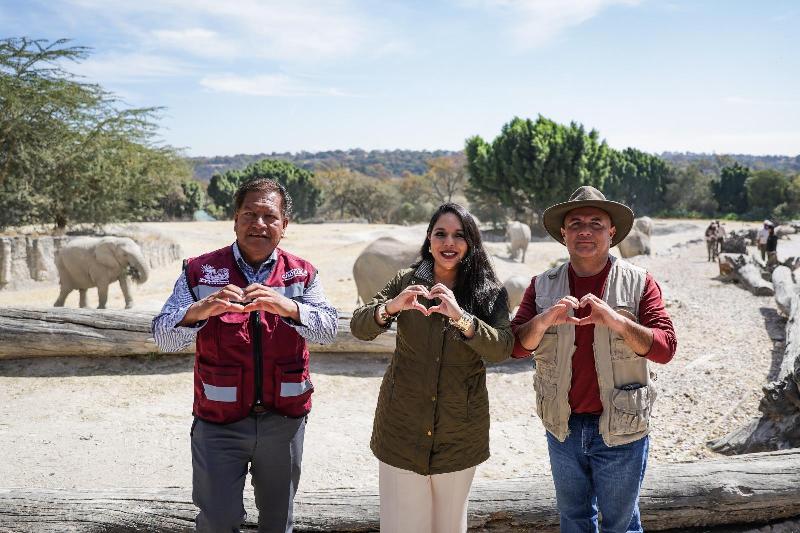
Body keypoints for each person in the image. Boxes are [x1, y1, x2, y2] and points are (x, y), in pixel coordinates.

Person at [151, 178, 338, 533]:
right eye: (249, 214)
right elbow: (163, 338)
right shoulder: (200, 271)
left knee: (276, 522)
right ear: (235, 219)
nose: (259, 224)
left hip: (283, 422)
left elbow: (329, 329)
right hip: (218, 423)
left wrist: (289, 308)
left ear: (285, 225)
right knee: (217, 521)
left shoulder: (303, 273)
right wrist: (198, 310)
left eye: (270, 216)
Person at [510, 186, 677, 533]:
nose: (585, 230)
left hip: (621, 427)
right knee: (574, 521)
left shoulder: (640, 283)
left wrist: (616, 320)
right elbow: (514, 347)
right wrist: (544, 320)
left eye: (596, 223)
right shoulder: (542, 286)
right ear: (563, 233)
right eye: (576, 223)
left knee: (621, 526)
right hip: (562, 428)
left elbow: (665, 348)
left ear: (611, 231)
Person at [350, 203, 513, 533]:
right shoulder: (405, 281)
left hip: (459, 434)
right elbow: (359, 326)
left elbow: (502, 348)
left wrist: (462, 318)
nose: (448, 243)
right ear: (428, 239)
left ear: (471, 243)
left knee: (449, 527)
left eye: (458, 235)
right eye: (441, 234)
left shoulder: (490, 292)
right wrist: (391, 307)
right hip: (402, 431)